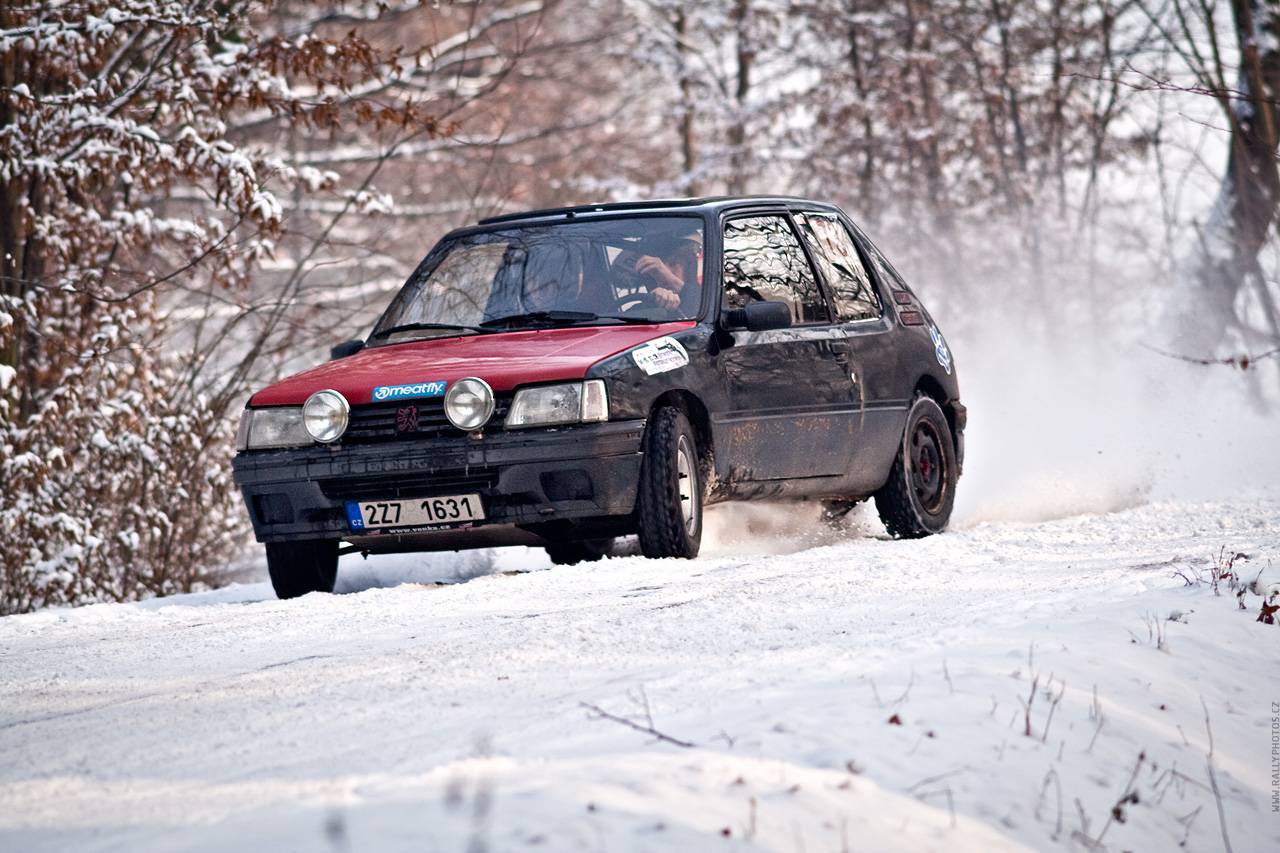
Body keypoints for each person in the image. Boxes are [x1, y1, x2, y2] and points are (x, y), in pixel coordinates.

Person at [633, 233, 702, 314]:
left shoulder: (705, 304)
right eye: (653, 269)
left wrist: (674, 283)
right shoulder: (638, 311)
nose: (662, 273)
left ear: (690, 268)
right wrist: (652, 303)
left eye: (673, 263)